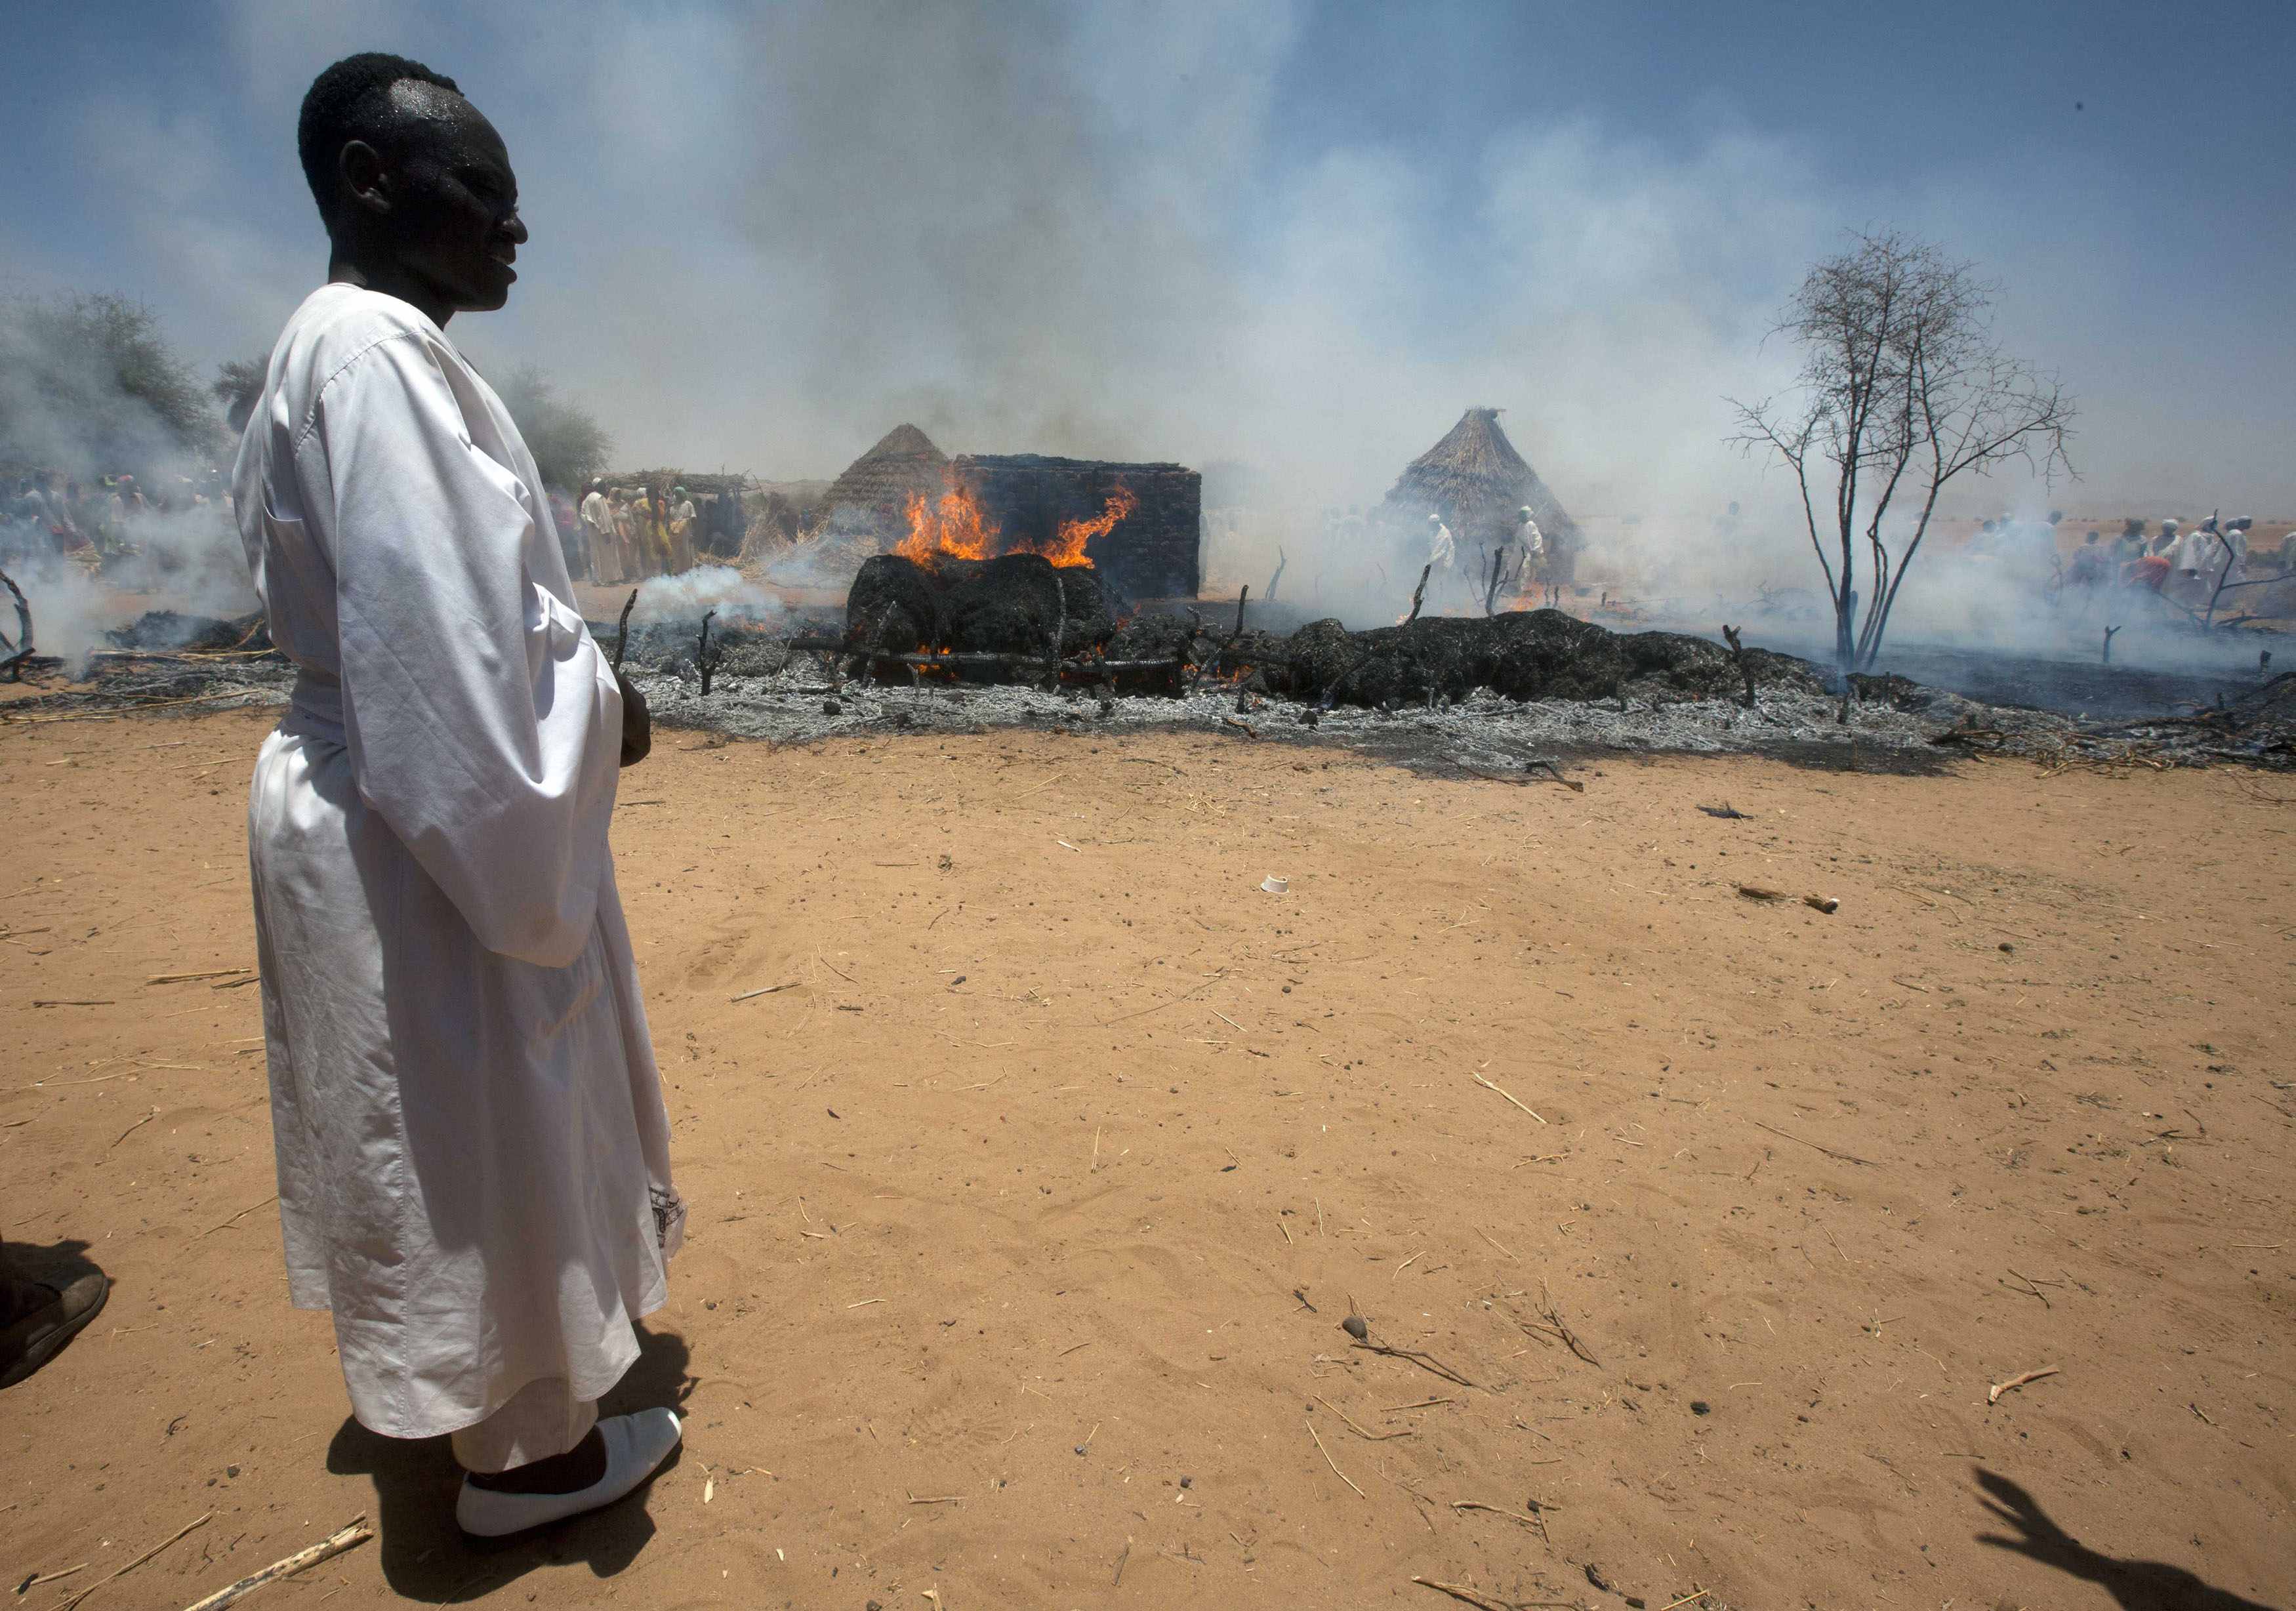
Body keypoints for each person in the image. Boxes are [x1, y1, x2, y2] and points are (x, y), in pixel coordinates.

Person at [232, 51, 683, 1538]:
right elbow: (442, 650)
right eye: (481, 191)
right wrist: (600, 723)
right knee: (476, 1118)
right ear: (370, 180)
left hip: (398, 791)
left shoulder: (349, 350)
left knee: (437, 1125)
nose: (515, 226)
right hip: (429, 816)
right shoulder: (371, 359)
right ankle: (526, 1465)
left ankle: (480, 1408)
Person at [581, 479, 617, 583]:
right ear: (598, 487)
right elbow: (604, 517)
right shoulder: (599, 498)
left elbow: (583, 514)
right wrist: (606, 532)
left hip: (593, 532)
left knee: (595, 556)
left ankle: (597, 579)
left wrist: (591, 525)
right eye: (603, 486)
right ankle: (608, 579)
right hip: (603, 531)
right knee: (606, 555)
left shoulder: (587, 499)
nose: (605, 488)